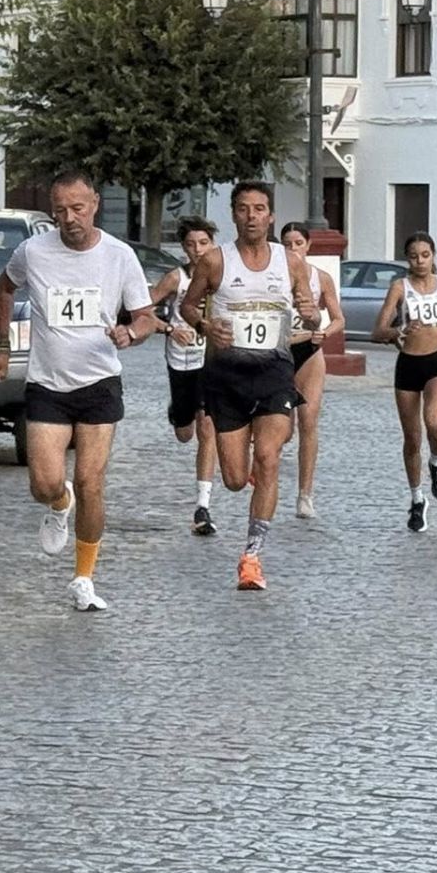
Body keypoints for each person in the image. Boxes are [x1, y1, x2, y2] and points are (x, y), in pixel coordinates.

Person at [0, 171, 157, 612]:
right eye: (60, 210)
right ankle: (59, 504)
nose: (69, 218)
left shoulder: (119, 256)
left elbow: (144, 316)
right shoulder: (33, 251)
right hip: (48, 382)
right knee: (44, 483)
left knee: (91, 480)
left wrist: (130, 334)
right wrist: (4, 346)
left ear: (95, 204)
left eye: (77, 208)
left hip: (99, 381)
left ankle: (84, 578)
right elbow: (3, 288)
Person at [178, 182, 319, 591]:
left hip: (275, 371)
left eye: (260, 209)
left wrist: (310, 316)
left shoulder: (290, 261)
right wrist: (204, 324)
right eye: (244, 209)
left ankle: (251, 557)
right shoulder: (214, 262)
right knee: (236, 479)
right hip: (228, 377)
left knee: (271, 457)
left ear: (270, 216)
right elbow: (188, 305)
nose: (252, 216)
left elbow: (309, 315)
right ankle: (250, 473)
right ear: (234, 215)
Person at [374, 232, 437, 532]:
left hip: (435, 363)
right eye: (414, 256)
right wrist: (398, 329)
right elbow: (378, 330)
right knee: (412, 438)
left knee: (434, 422)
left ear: (433, 255)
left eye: (425, 255)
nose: (420, 261)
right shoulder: (399, 287)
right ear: (408, 259)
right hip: (407, 365)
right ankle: (417, 499)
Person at [150, 216, 218, 535]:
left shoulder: (222, 275)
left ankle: (202, 507)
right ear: (183, 248)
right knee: (185, 433)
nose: (198, 250)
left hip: (211, 361)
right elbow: (141, 308)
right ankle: (177, 413)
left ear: (213, 244)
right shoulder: (175, 278)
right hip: (181, 362)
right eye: (191, 245)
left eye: (203, 243)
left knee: (208, 428)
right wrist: (168, 328)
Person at [277, 221, 344, 521]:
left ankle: (305, 495)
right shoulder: (271, 276)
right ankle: (265, 477)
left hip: (309, 352)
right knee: (282, 429)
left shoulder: (321, 278)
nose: (294, 249)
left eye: (298, 243)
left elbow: (339, 318)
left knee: (309, 421)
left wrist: (325, 332)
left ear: (308, 246)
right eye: (288, 244)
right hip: (278, 353)